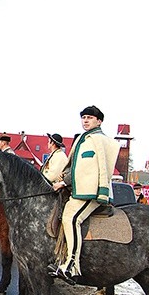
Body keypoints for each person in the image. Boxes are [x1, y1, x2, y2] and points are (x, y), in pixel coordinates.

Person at [48, 105, 120, 285]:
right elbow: (73, 167)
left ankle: (72, 265)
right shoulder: (83, 139)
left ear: (99, 121)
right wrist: (62, 180)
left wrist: (65, 182)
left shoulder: (100, 140)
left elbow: (97, 169)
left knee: (71, 218)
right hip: (78, 190)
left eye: (90, 118)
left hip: (91, 193)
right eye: (83, 117)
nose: (85, 120)